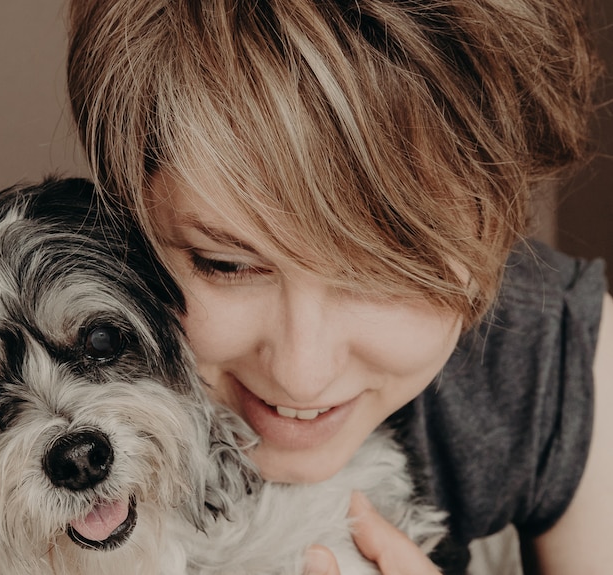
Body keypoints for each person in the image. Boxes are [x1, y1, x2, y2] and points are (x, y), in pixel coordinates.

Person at [65, 0, 613, 573]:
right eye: (223, 263)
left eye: (386, 270)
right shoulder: (11, 428)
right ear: (126, 216)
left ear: (499, 230)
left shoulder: (555, 352)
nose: (302, 375)